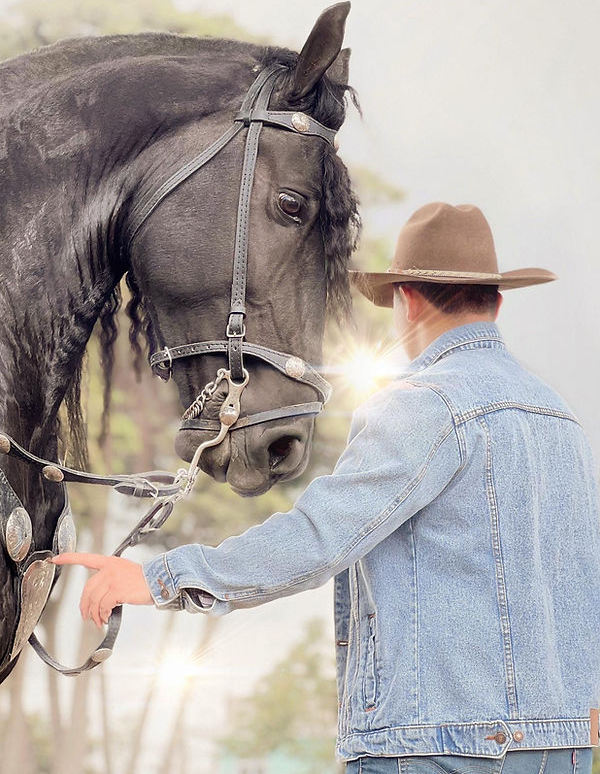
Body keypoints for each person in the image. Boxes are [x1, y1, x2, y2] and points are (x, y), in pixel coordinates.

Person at [54, 202, 600, 774]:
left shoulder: (422, 404)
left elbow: (318, 539)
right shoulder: (561, 420)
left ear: (406, 300)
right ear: (497, 303)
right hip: (561, 749)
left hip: (436, 752)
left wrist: (156, 578)